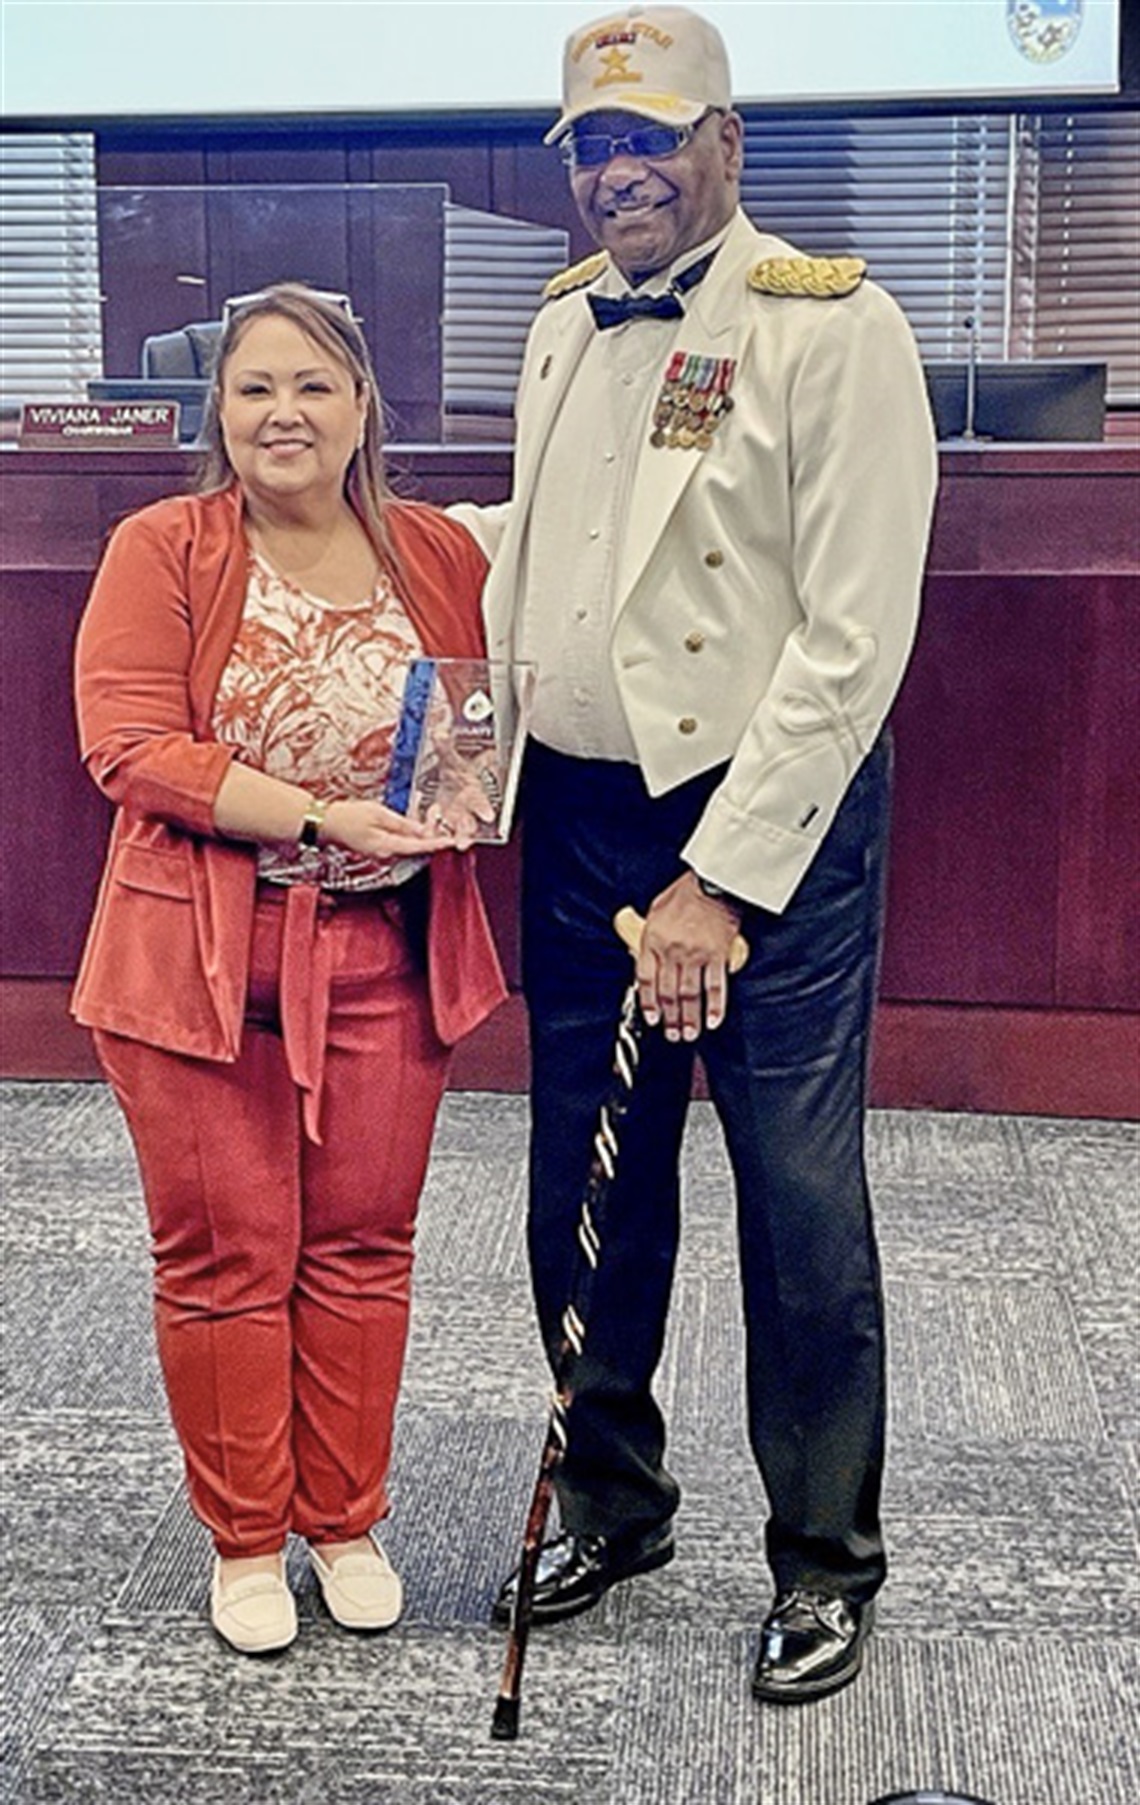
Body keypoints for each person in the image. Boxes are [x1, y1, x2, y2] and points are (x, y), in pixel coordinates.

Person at [455, 5, 938, 1703]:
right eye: (591, 144)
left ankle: (826, 1559)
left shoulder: (832, 327)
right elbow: (559, 555)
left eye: (651, 137)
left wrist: (718, 881)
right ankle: (613, 1493)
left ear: (727, 142)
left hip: (762, 823)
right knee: (584, 1185)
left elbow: (852, 640)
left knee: (796, 1200)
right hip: (584, 817)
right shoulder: (561, 322)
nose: (620, 171)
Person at [72, 283, 507, 1655]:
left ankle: (346, 1518)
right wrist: (315, 814)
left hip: (389, 950)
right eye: (256, 387)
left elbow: (469, 721)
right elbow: (130, 746)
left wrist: (458, 795)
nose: (284, 414)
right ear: (220, 409)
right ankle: (248, 1537)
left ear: (364, 407)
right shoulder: (168, 547)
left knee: (365, 1247)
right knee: (225, 1255)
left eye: (314, 386)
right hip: (203, 957)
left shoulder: (434, 549)